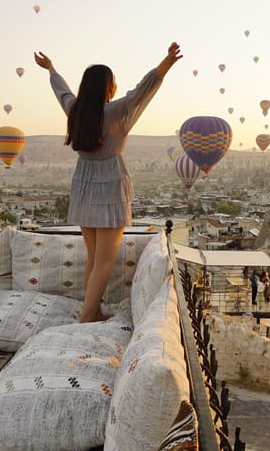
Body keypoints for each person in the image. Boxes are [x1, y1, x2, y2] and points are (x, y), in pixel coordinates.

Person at [34, 42, 183, 322]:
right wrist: (167, 62)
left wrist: (51, 69)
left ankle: (94, 311)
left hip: (83, 182)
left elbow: (62, 92)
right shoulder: (118, 111)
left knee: (94, 257)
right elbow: (145, 89)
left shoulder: (76, 111)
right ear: (108, 87)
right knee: (104, 260)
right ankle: (85, 318)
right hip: (112, 182)